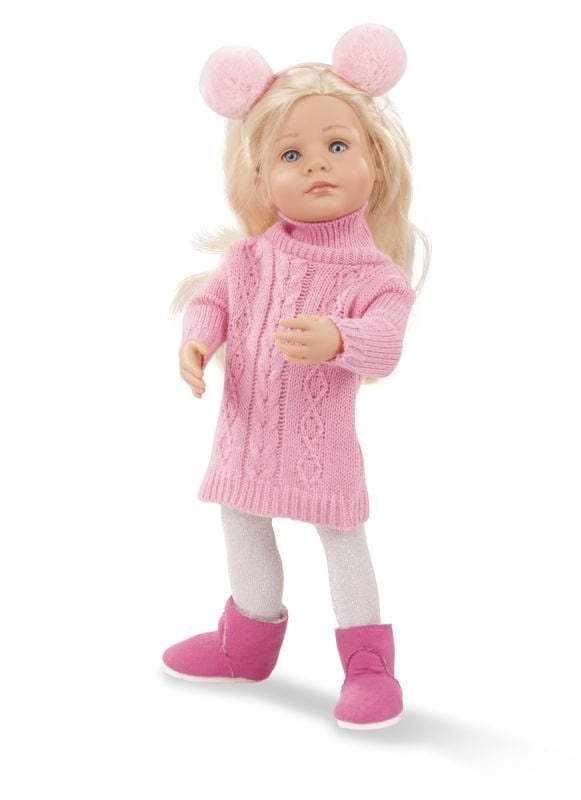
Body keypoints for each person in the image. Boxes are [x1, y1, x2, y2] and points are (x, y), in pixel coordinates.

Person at [161, 24, 429, 731]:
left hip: (321, 449)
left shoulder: (377, 276)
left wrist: (339, 337)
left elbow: (385, 346)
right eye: (291, 154)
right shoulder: (251, 258)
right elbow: (213, 301)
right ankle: (246, 644)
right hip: (246, 436)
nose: (317, 166)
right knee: (242, 524)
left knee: (341, 538)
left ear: (374, 159)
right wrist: (197, 342)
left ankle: (368, 665)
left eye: (337, 146)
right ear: (259, 177)